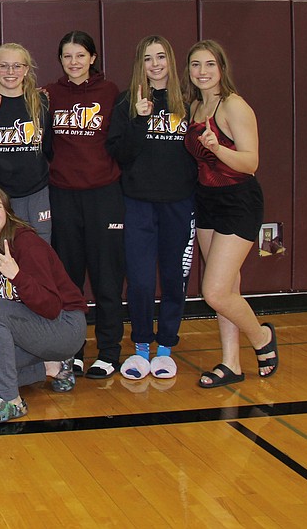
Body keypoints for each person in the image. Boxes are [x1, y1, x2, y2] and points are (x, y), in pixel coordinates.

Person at [184, 41, 278, 388]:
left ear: (222, 67)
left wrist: (217, 147)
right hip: (206, 201)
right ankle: (231, 363)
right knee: (230, 286)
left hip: (238, 200)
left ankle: (262, 337)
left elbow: (251, 163)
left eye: (210, 64)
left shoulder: (234, 106)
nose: (203, 72)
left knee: (216, 292)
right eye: (196, 65)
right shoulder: (195, 104)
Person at [106, 35, 197, 380]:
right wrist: (140, 120)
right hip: (138, 204)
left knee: (174, 278)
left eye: (161, 57)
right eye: (148, 58)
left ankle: (166, 348)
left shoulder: (188, 101)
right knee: (141, 281)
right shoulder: (128, 101)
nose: (155, 64)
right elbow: (121, 155)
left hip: (179, 204)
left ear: (171, 62)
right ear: (139, 65)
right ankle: (142, 346)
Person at [0, 186, 85, 422]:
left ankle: (10, 401)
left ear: (7, 212)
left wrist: (17, 276)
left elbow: (51, 307)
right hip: (29, 333)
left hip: (64, 327)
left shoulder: (27, 244)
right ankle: (51, 367)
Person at [47, 30, 124, 379]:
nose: (74, 62)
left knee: (107, 278)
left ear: (92, 58)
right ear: (60, 60)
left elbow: (121, 143)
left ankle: (109, 351)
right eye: (67, 56)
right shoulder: (50, 95)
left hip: (103, 195)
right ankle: (73, 350)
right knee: (69, 280)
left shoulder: (110, 93)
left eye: (80, 55)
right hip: (63, 194)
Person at [0, 42, 54, 244]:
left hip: (37, 193)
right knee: (3, 253)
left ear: (26, 70)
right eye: (3, 66)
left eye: (17, 66)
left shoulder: (40, 102)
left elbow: (49, 149)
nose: (10, 71)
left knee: (39, 254)